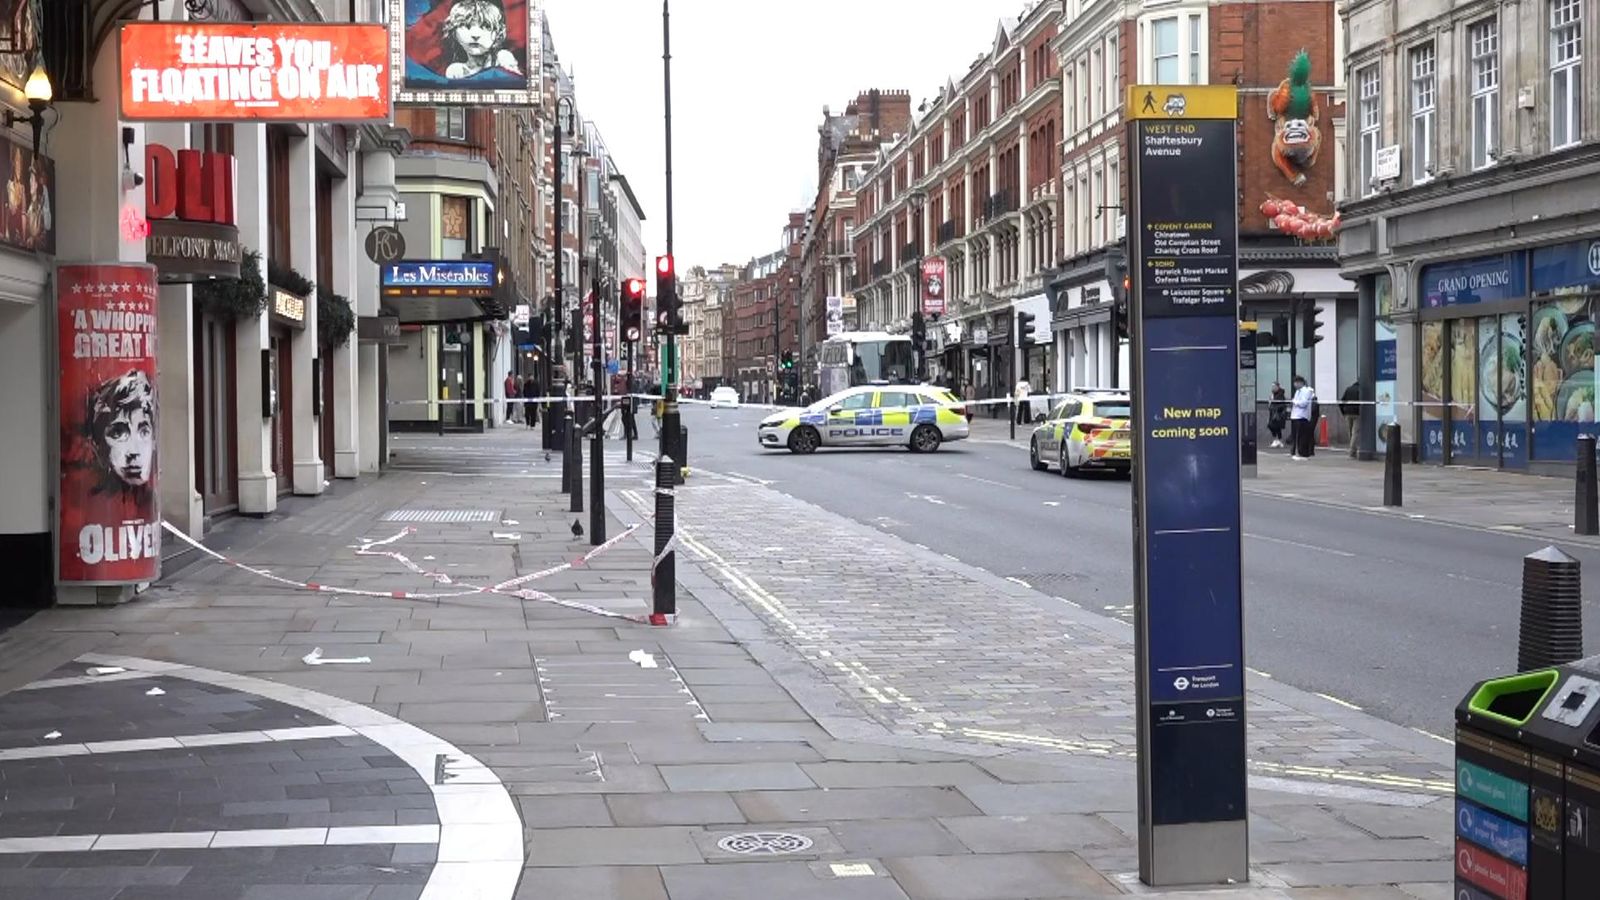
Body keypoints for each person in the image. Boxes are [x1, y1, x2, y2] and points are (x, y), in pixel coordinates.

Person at [440, 0, 523, 81]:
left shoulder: (503, 58)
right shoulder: (456, 71)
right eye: (466, 26)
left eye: (486, 26)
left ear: (498, 33)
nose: (475, 34)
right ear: (453, 32)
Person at [1289, 375, 1317, 459]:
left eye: (1296, 382)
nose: (1295, 385)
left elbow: (1304, 403)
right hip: (1295, 416)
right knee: (1295, 435)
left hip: (1302, 416)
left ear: (1300, 383)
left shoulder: (1306, 391)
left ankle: (1302, 453)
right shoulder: (1297, 391)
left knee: (1301, 436)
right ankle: (1295, 452)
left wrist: (1295, 402)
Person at [1340, 381, 1362, 458]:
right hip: (1357, 413)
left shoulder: (1348, 389)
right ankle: (1352, 451)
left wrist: (1343, 412)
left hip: (1348, 413)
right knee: (1355, 433)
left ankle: (1353, 449)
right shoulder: (1360, 389)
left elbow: (1341, 401)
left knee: (1350, 432)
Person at [1267, 382, 1288, 448]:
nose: (1273, 388)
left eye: (1274, 386)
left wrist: (1275, 407)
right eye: (1272, 386)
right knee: (1272, 426)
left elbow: (1282, 404)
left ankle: (1278, 440)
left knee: (1276, 426)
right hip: (1273, 413)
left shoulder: (1280, 394)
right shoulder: (1273, 394)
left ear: (1278, 387)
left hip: (1278, 414)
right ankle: (1277, 439)